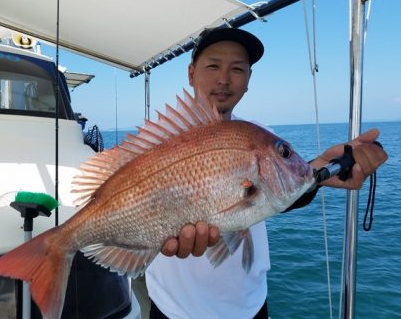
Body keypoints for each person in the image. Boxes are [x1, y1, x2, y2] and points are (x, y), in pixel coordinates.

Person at [140, 27, 388, 319]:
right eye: (213, 65)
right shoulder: (156, 147)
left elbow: (272, 196)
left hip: (249, 304)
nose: (224, 78)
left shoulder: (260, 135)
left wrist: (320, 166)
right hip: (174, 309)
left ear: (248, 80)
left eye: (237, 68)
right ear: (191, 73)